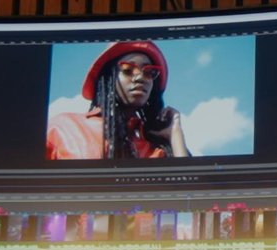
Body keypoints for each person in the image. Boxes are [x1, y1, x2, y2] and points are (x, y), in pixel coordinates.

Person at [46, 41, 192, 161]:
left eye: (149, 72)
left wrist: (175, 135)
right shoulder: (63, 128)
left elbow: (189, 191)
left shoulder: (156, 147)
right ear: (109, 78)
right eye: (128, 70)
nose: (140, 77)